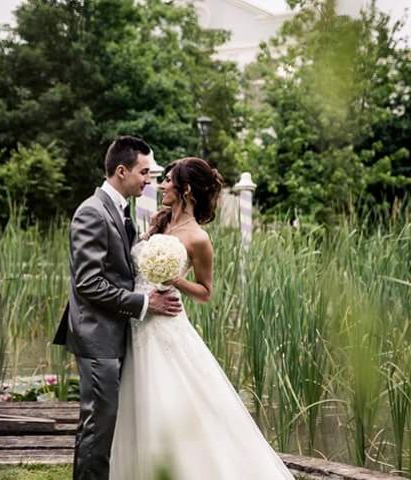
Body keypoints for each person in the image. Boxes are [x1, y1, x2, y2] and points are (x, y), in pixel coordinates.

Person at [110, 157, 294, 479]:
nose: (163, 185)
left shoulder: (199, 238)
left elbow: (206, 292)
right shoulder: (159, 220)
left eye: (169, 180)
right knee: (138, 403)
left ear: (187, 190)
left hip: (165, 324)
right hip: (138, 321)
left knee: (169, 401)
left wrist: (173, 278)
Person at [53, 135, 183, 480]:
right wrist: (144, 303)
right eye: (144, 172)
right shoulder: (91, 212)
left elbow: (119, 268)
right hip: (97, 336)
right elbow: (89, 283)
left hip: (114, 333)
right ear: (121, 171)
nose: (149, 180)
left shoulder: (118, 210)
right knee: (98, 423)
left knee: (103, 421)